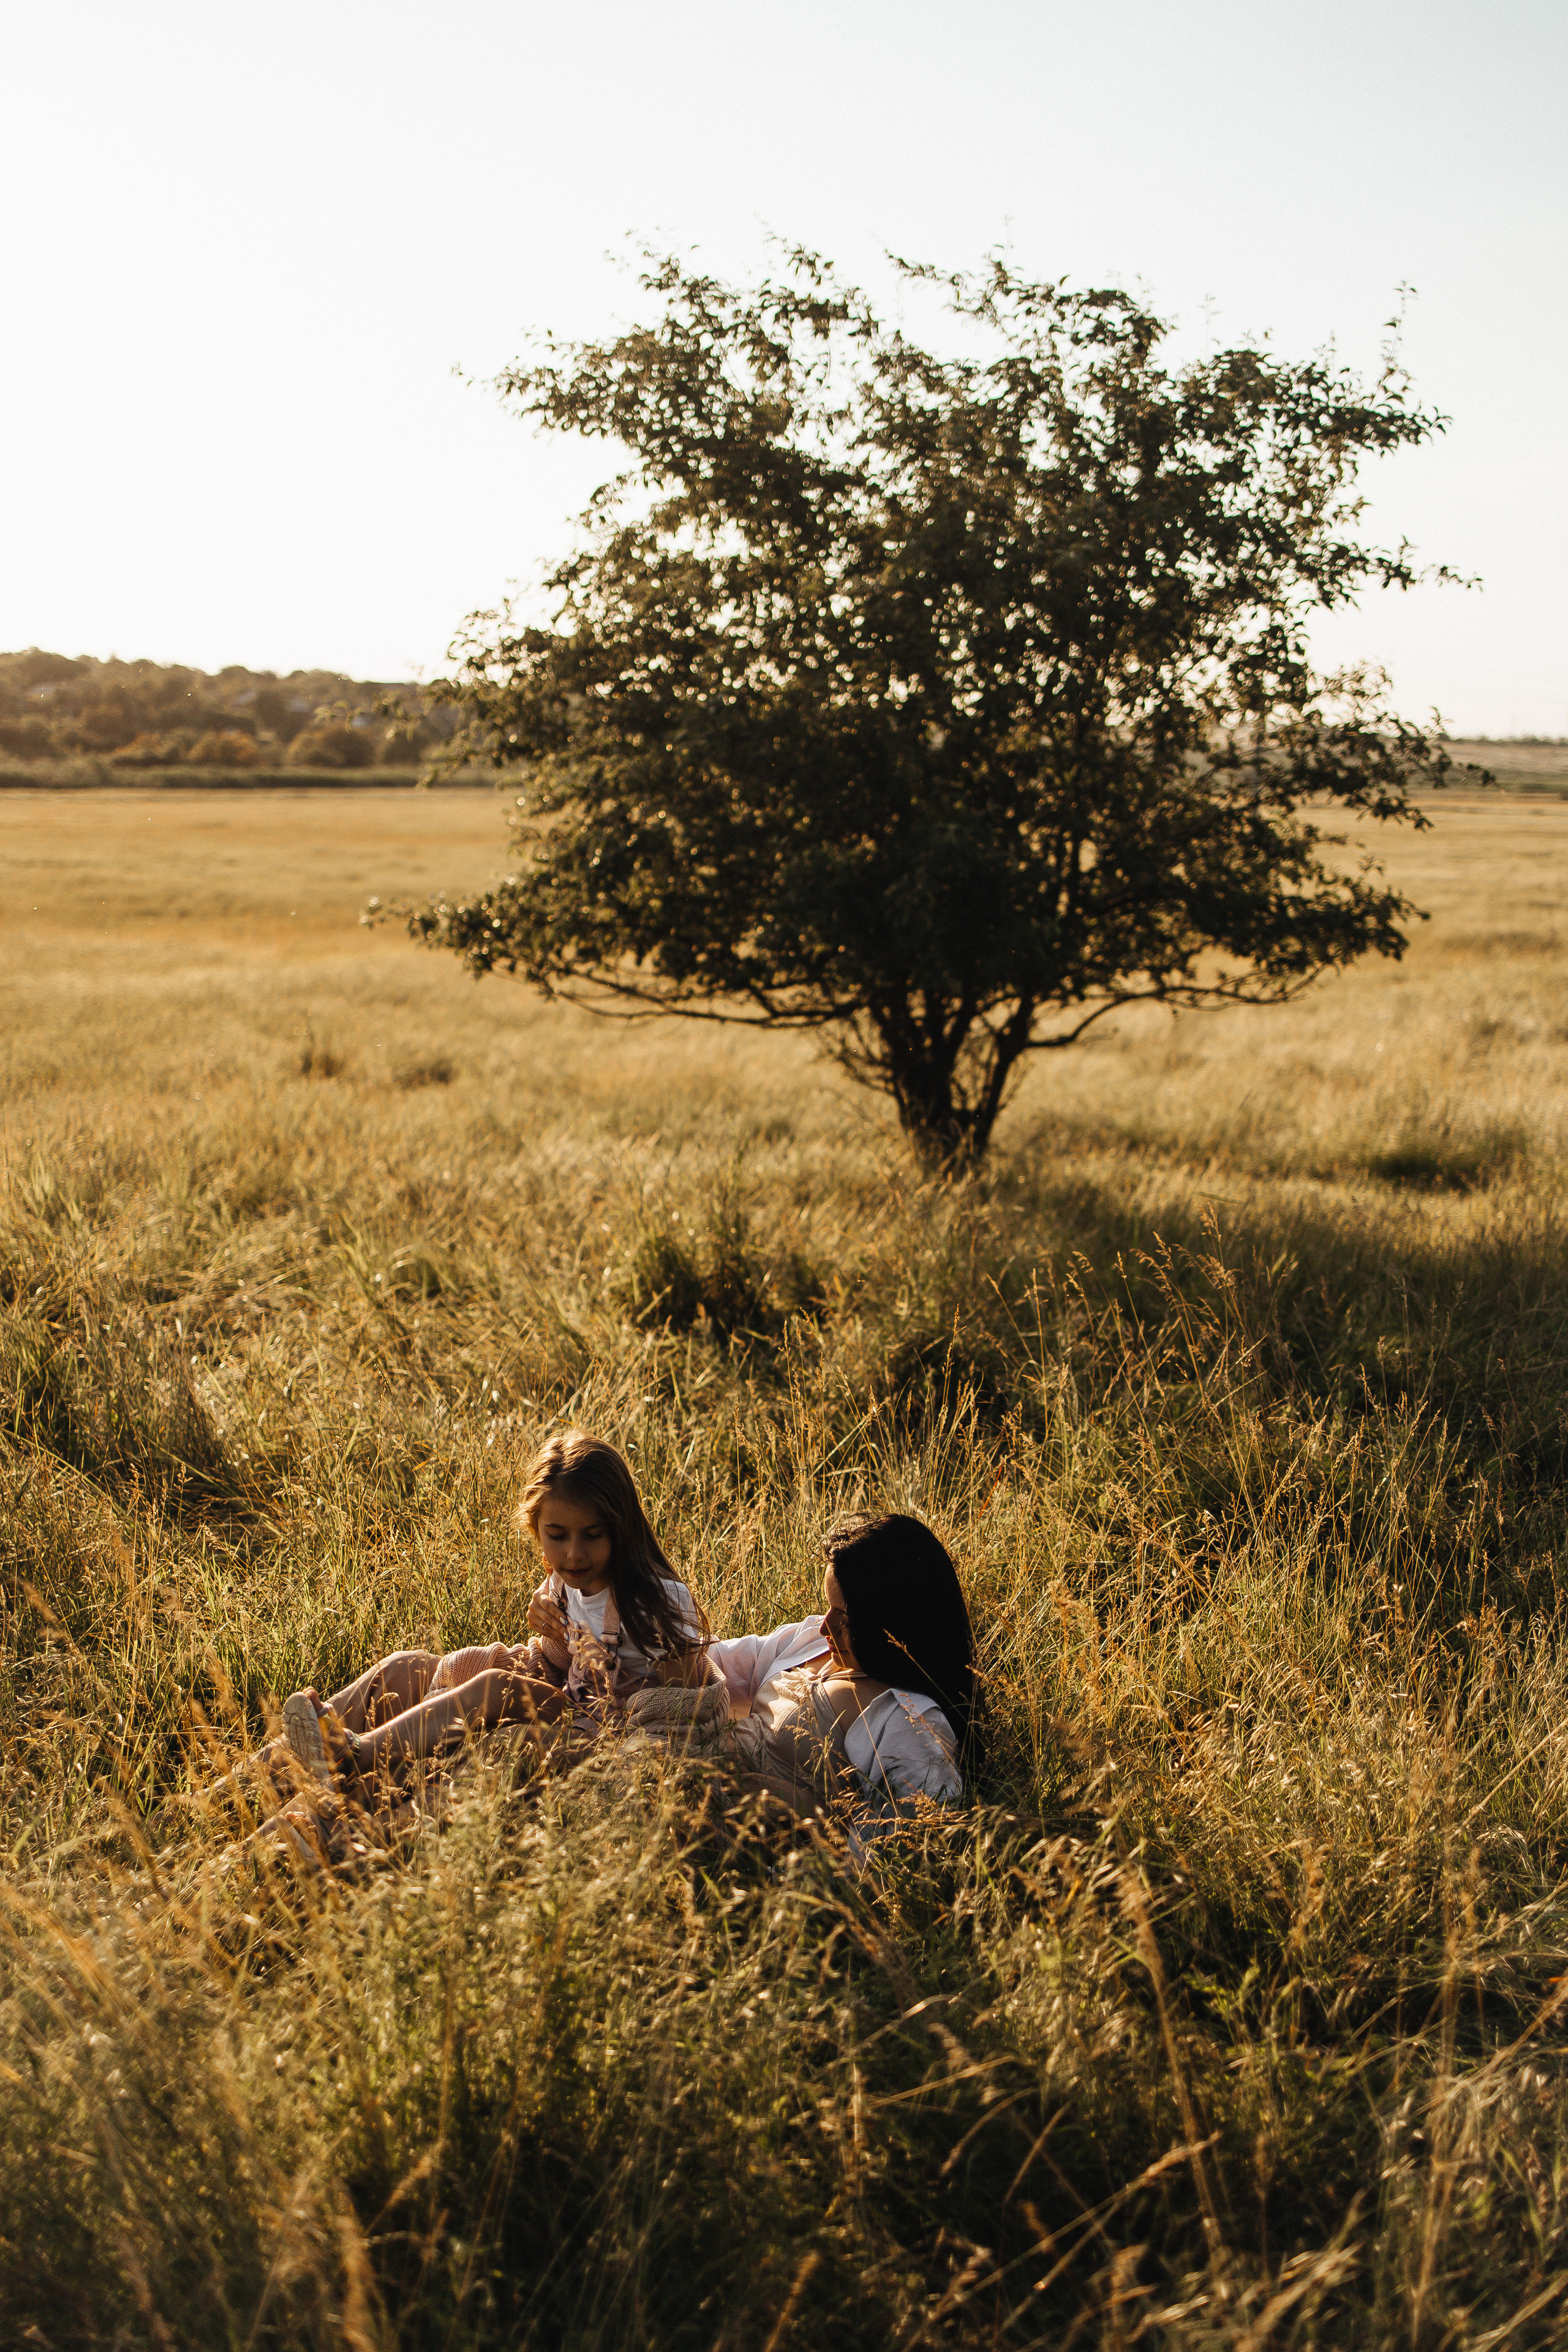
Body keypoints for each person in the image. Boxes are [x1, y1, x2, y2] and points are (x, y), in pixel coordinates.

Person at [279, 1428, 717, 1787]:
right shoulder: (563, 1583)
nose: (574, 1555)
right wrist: (553, 1635)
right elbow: (568, 1658)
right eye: (557, 1535)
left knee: (494, 1688)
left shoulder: (659, 1602)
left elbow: (685, 1711)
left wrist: (625, 1744)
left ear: (620, 1527)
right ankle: (269, 1765)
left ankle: (357, 1753)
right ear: (536, 1527)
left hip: (609, 1732)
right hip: (574, 1704)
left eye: (593, 1535)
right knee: (404, 1664)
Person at [707, 1513, 976, 1832]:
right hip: (701, 1772)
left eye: (846, 1618)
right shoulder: (813, 1641)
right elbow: (715, 1662)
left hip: (738, 1841)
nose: (825, 1626)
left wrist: (807, 1810)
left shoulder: (907, 1718)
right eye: (828, 1607)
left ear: (891, 1623)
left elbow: (916, 1836)